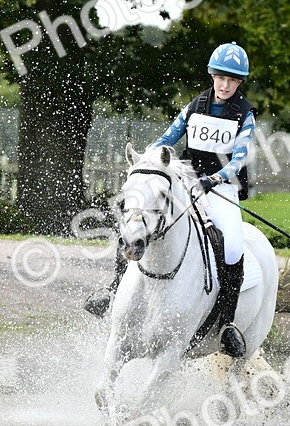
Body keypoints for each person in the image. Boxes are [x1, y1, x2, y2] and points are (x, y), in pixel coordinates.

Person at [84, 42, 257, 358]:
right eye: (220, 77)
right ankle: (113, 289)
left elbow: (238, 161)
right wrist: (149, 159)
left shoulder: (245, 115)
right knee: (137, 223)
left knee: (232, 245)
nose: (224, 84)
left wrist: (213, 180)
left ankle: (227, 324)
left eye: (231, 80)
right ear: (211, 75)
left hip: (222, 188)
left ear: (239, 82)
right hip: (185, 180)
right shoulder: (194, 106)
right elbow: (167, 139)